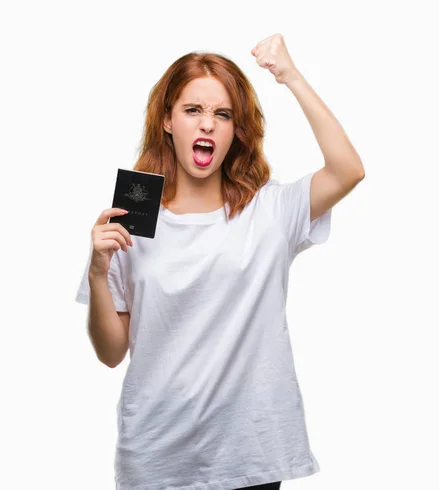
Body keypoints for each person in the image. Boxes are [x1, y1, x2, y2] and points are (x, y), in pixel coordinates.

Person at [75, 34, 365, 490]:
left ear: (236, 129)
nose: (207, 124)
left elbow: (348, 169)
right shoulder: (135, 215)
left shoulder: (269, 211)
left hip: (247, 455)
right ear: (168, 121)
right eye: (193, 110)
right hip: (155, 457)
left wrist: (289, 75)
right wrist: (97, 273)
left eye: (222, 114)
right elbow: (112, 353)